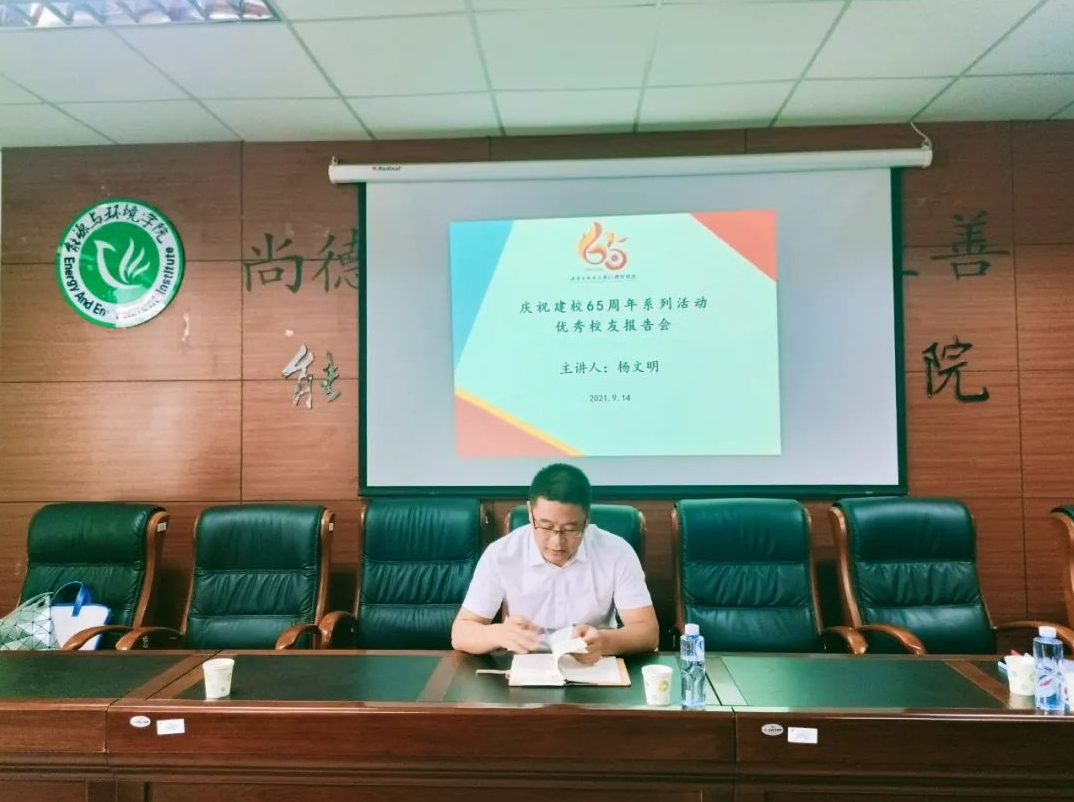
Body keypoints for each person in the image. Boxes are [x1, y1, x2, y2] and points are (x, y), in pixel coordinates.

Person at [451, 463, 659, 664]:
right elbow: (460, 633)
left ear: (587, 518)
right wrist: (499, 634)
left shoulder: (616, 552)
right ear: (530, 512)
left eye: (570, 529)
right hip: (526, 668)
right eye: (545, 526)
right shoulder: (501, 554)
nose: (556, 542)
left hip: (594, 665)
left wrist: (603, 642)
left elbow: (648, 632)